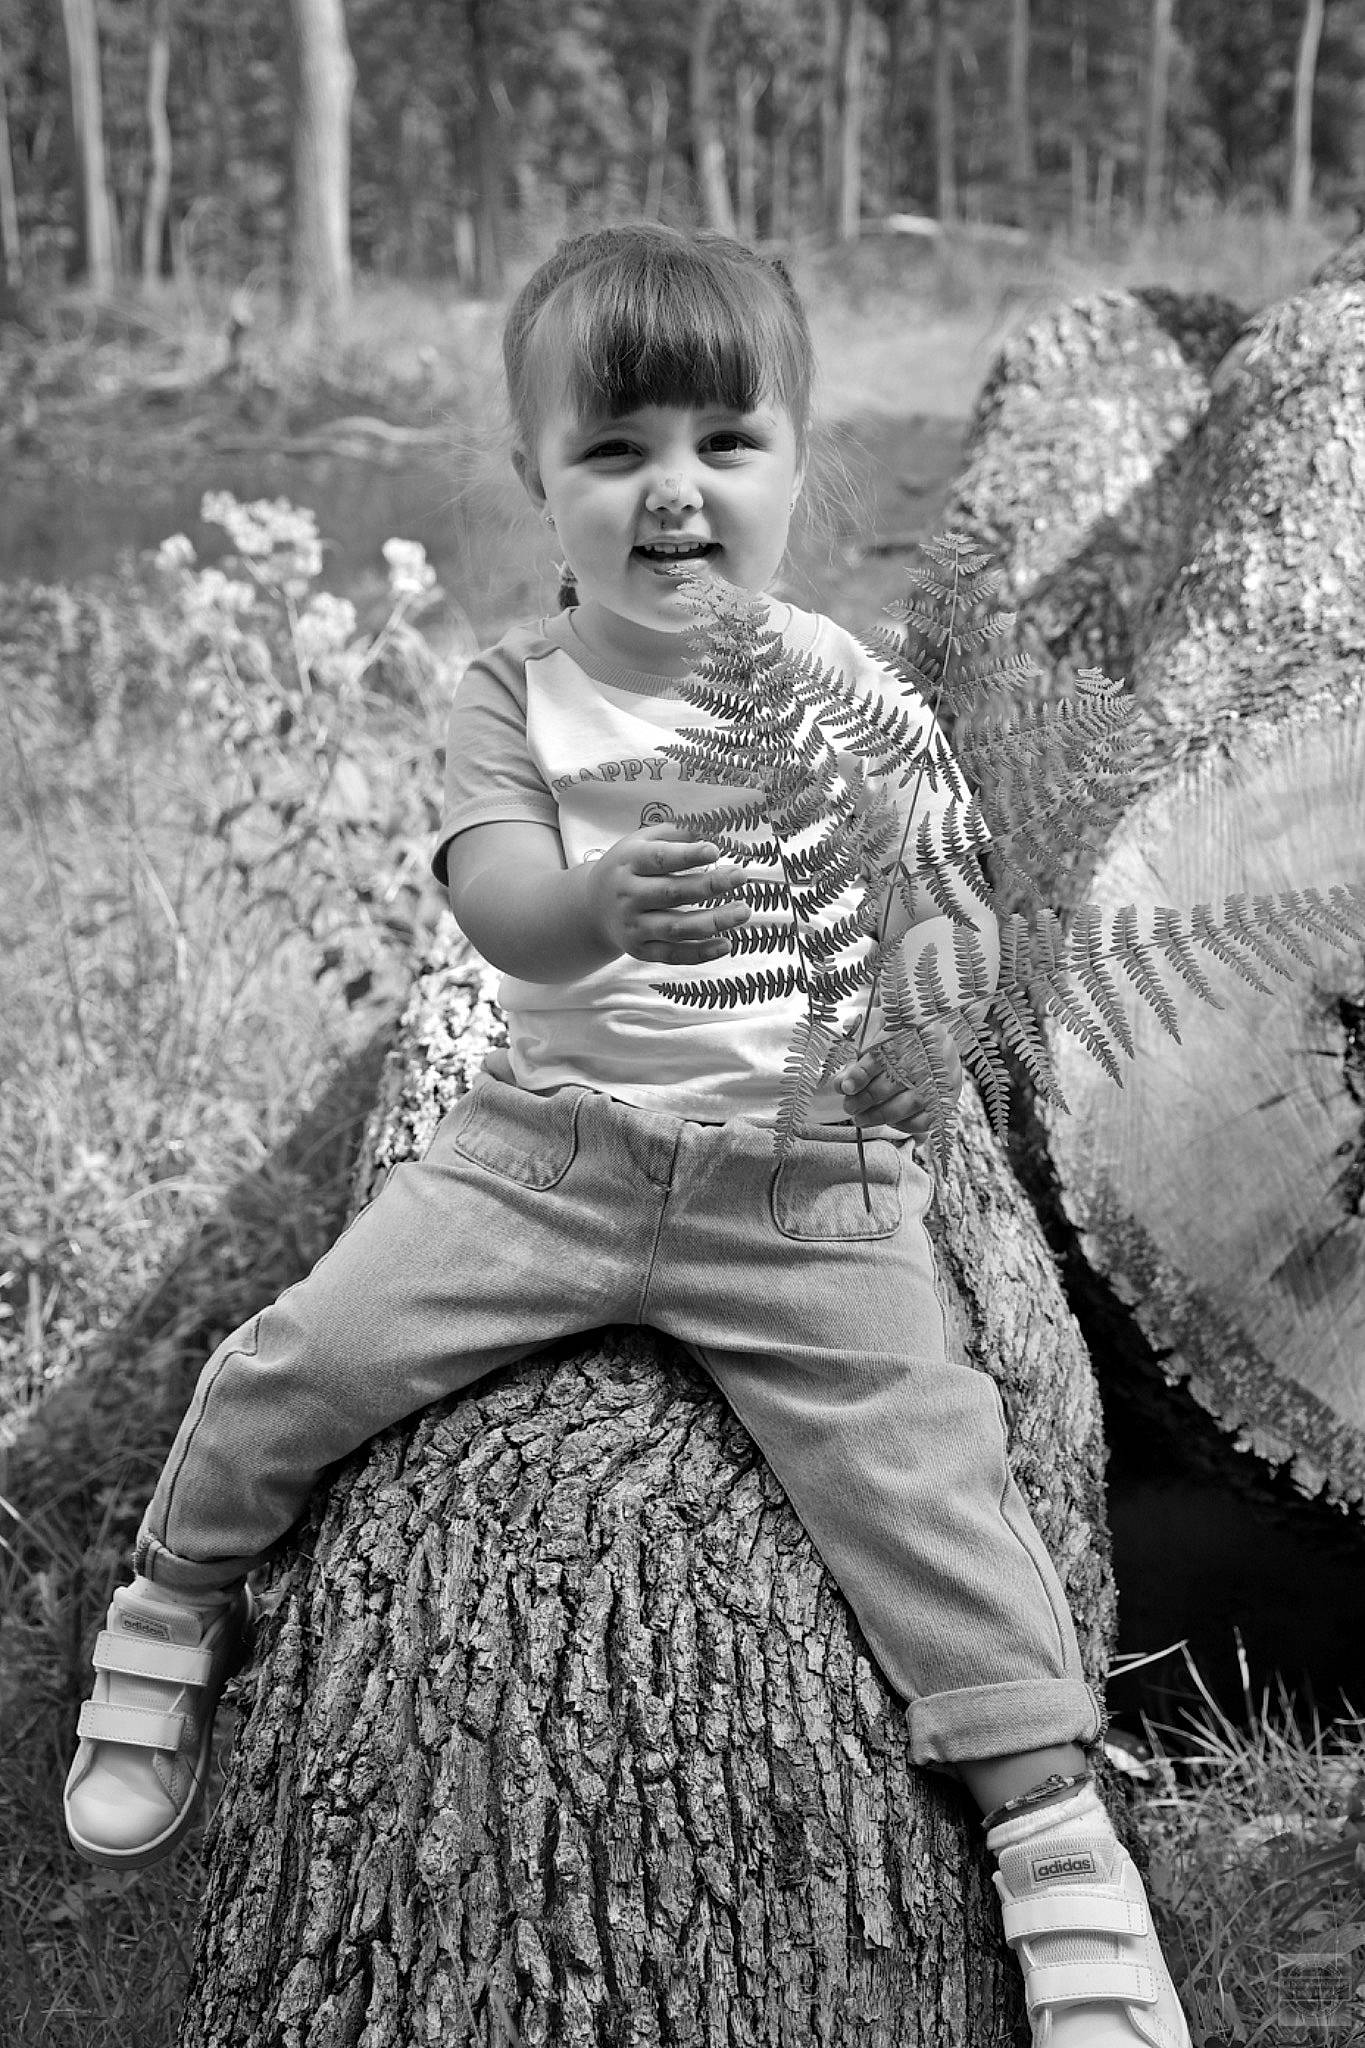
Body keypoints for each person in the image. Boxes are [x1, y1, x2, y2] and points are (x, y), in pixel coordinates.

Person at [65, 223, 1189, 2048]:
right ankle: (173, 1600)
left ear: (795, 467)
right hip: (549, 1153)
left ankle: (1052, 1836)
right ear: (542, 483)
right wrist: (598, 909)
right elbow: (499, 906)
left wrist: (925, 975)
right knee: (306, 1351)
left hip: (803, 1183)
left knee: (929, 1488)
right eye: (614, 450)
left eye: (722, 444)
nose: (673, 490)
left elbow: (943, 908)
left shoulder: (847, 690)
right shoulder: (514, 694)